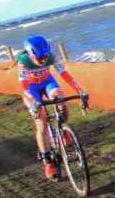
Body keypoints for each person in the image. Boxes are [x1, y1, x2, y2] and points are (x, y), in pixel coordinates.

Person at [18, 35, 88, 179]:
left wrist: (79, 90)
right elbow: (23, 86)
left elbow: (64, 74)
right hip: (31, 89)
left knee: (62, 103)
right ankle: (48, 162)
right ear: (30, 55)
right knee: (41, 121)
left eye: (45, 57)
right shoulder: (23, 61)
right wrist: (32, 101)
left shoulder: (51, 56)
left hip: (48, 82)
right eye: (39, 59)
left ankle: (63, 130)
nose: (43, 60)